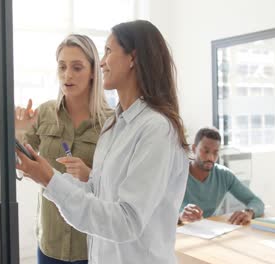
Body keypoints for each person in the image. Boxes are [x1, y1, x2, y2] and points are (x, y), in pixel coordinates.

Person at [16, 20, 189, 264]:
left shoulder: (156, 130)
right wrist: (43, 175)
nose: (102, 62)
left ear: (133, 58)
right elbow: (96, 191)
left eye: (108, 51)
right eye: (62, 66)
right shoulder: (114, 127)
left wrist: (50, 179)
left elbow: (126, 221)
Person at [15, 34, 113, 264]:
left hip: (92, 244)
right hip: (51, 242)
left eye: (77, 67)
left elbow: (118, 187)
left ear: (92, 72)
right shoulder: (44, 113)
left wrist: (89, 175)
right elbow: (20, 165)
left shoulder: (112, 122)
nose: (67, 75)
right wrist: (17, 131)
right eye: (62, 67)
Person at [179, 127, 265, 225]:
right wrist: (180, 217)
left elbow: (256, 201)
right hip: (182, 232)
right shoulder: (178, 175)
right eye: (206, 151)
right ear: (194, 149)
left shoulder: (224, 175)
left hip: (213, 231)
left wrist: (249, 212)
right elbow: (160, 210)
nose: (210, 157)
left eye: (215, 152)